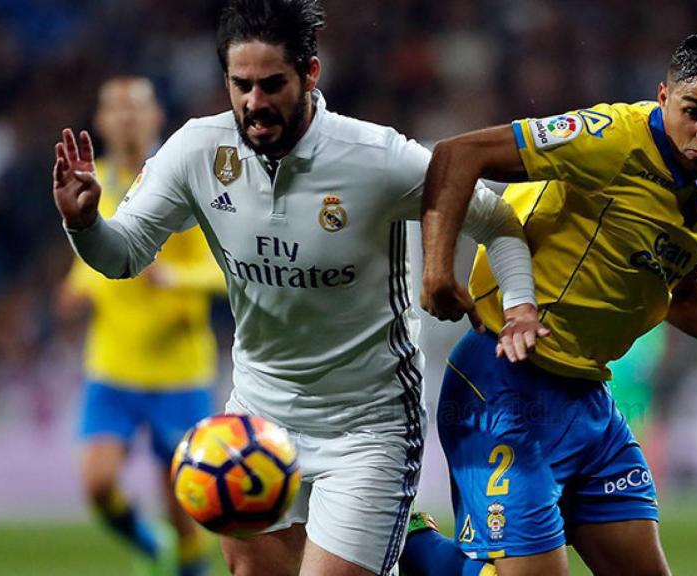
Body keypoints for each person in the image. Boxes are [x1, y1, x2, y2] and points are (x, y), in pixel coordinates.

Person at [52, 1, 540, 575]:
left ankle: (416, 547)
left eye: (272, 84)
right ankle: (420, 554)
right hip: (258, 416)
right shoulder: (196, 152)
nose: (254, 103)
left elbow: (497, 219)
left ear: (310, 74)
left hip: (368, 425)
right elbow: (123, 254)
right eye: (241, 85)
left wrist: (520, 305)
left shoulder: (374, 158)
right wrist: (84, 224)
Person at [401, 31, 697, 576]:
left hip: (586, 397)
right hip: (504, 384)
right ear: (664, 96)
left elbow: (678, 295)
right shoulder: (609, 137)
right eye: (694, 111)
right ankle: (410, 543)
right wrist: (436, 268)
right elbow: (457, 154)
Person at [54, 76, 224, 576]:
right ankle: (151, 548)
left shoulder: (174, 181)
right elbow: (94, 255)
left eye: (138, 108)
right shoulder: (90, 182)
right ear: (102, 121)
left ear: (157, 118)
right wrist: (76, 286)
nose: (127, 117)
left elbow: (221, 267)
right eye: (116, 108)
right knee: (97, 483)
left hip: (179, 371)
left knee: (183, 504)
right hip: (113, 365)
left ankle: (187, 565)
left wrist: (177, 277)